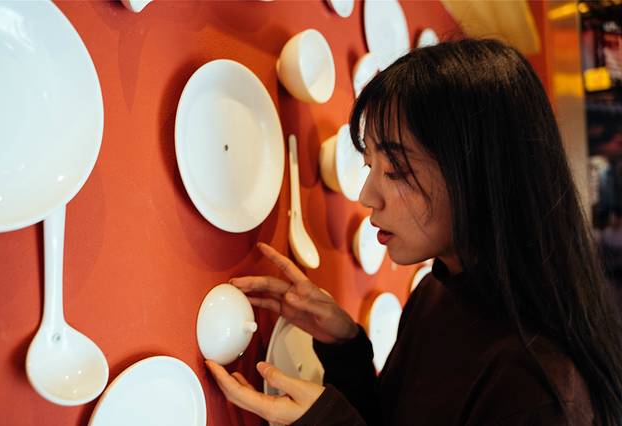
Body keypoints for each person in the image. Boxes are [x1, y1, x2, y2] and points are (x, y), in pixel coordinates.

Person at [205, 39, 622, 425]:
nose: (367, 195)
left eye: (396, 170)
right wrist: (345, 346)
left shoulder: (538, 393)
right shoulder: (438, 288)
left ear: (480, 175)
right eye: (370, 165)